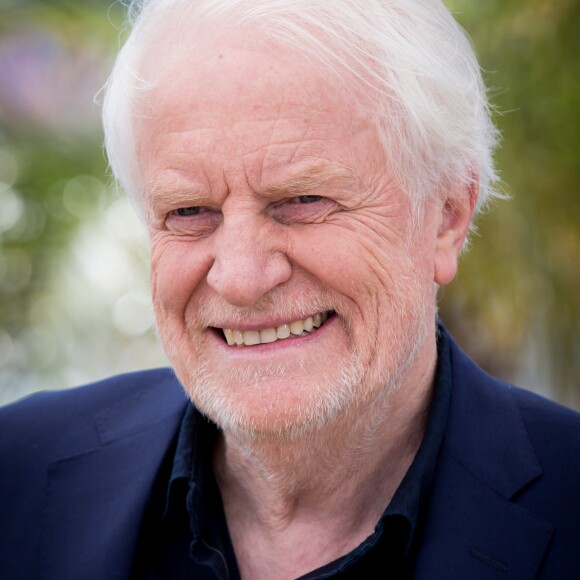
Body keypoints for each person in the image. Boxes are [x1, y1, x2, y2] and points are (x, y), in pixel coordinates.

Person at [1, 0, 579, 578]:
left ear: (447, 216)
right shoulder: (19, 476)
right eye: (189, 211)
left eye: (303, 200)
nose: (242, 278)